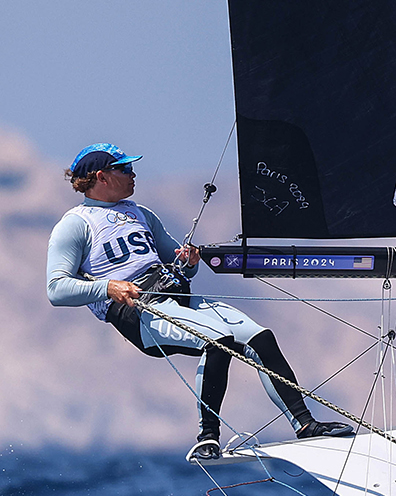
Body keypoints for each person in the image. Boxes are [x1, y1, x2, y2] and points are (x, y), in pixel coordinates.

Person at [46, 143, 354, 461]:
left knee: (260, 337)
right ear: (102, 177)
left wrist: (188, 260)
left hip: (175, 297)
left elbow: (177, 259)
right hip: (138, 311)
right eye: (125, 169)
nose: (133, 174)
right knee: (218, 341)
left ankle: (305, 424)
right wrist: (107, 287)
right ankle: (208, 438)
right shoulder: (74, 225)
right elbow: (56, 288)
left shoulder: (141, 213)